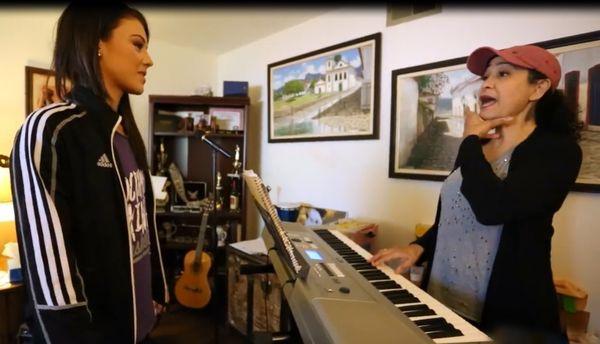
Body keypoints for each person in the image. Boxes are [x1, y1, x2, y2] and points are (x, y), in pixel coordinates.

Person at [370, 44, 582, 343]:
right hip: (443, 300)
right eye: (486, 76)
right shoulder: (476, 150)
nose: (488, 83)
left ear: (539, 88)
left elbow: (492, 209)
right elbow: (455, 218)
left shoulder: (558, 152)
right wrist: (418, 247)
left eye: (504, 74)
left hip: (511, 321)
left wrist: (469, 138)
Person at [10, 3, 168, 343]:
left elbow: (138, 233)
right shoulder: (51, 130)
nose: (148, 59)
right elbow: (50, 270)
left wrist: (154, 291)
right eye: (137, 44)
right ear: (97, 43)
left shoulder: (125, 133)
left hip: (138, 329)